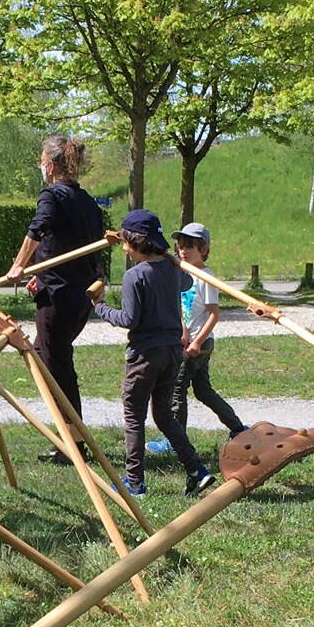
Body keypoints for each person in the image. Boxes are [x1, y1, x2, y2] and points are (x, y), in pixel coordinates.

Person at [89, 210, 215, 499]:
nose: (123, 248)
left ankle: (135, 482)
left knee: (134, 416)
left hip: (144, 355)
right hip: (173, 353)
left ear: (136, 242)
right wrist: (172, 262)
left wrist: (100, 306)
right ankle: (197, 471)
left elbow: (129, 319)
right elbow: (186, 282)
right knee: (163, 416)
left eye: (126, 243)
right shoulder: (172, 271)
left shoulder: (135, 276)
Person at [4, 136, 106, 463]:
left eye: (41, 161)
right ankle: (70, 438)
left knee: (57, 368)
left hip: (59, 300)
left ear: (49, 164)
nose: (40, 167)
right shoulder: (87, 202)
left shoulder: (53, 195)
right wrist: (41, 273)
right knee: (43, 357)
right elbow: (70, 248)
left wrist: (19, 265)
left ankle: (74, 444)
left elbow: (39, 229)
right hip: (76, 296)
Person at [168, 223, 248, 441]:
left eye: (190, 246)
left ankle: (175, 439)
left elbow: (214, 314)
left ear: (203, 250)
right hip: (187, 339)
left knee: (177, 388)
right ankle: (239, 428)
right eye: (181, 246)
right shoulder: (180, 273)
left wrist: (196, 342)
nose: (183, 251)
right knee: (203, 391)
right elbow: (180, 307)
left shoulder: (205, 277)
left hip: (200, 344)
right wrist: (183, 330)